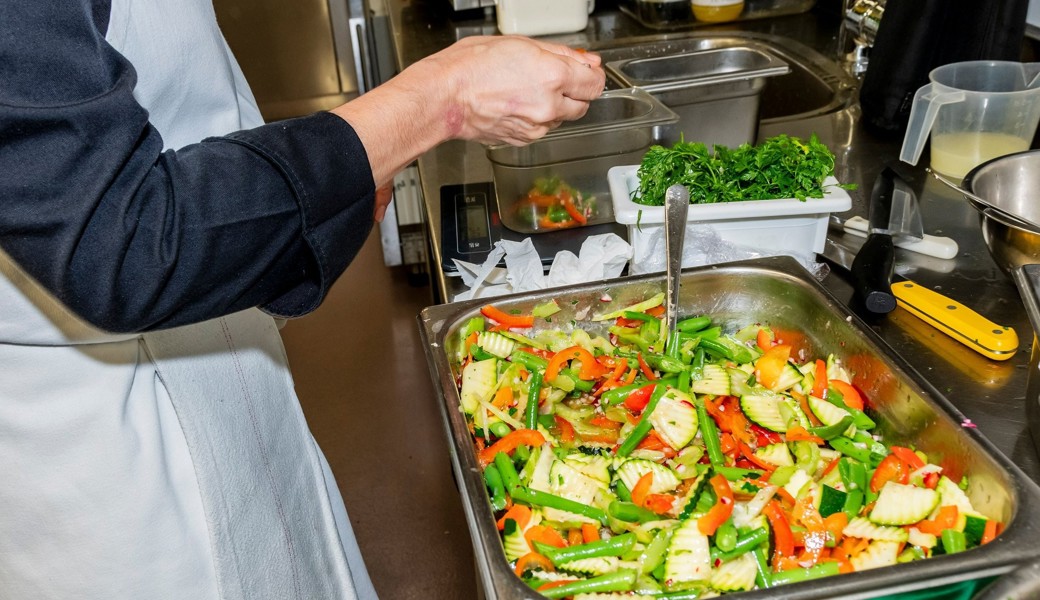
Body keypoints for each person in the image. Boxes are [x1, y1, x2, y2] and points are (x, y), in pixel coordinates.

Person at [0, 2, 605, 598]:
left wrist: (321, 192)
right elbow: (121, 242)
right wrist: (439, 99)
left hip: (232, 367)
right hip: (113, 473)